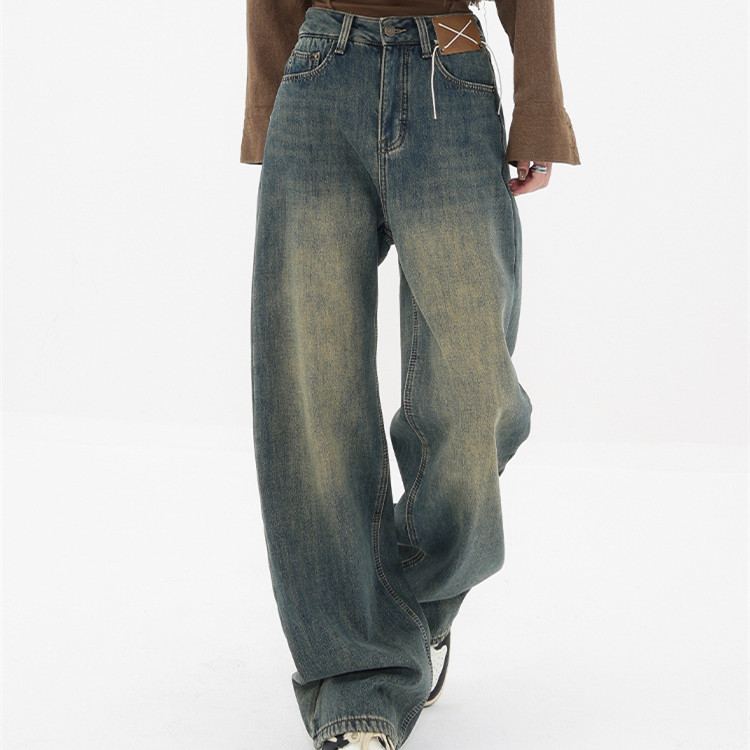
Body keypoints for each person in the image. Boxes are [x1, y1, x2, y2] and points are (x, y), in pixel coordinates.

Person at [243, 1, 580, 748]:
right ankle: (356, 677)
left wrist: (538, 112)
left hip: (449, 76)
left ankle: (410, 604)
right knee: (312, 390)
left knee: (476, 388)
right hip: (319, 69)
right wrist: (269, 110)